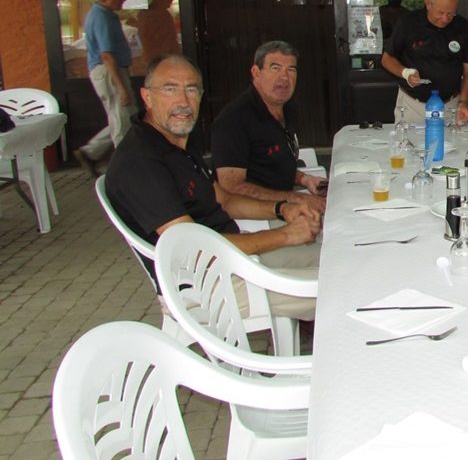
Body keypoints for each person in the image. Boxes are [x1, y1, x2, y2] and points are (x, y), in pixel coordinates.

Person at [105, 54, 322, 320]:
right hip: (206, 286)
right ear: (147, 97)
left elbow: (225, 201)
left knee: (336, 258)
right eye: (170, 89)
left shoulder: (175, 141)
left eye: (191, 89)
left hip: (232, 258)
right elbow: (192, 247)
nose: (183, 101)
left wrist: (282, 209)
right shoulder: (140, 162)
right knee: (342, 289)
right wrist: (286, 235)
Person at [211, 41, 328, 215]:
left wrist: (305, 179)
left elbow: (273, 164)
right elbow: (231, 188)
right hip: (256, 216)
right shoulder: (233, 120)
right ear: (256, 72)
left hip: (287, 201)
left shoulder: (287, 108)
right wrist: (294, 198)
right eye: (275, 68)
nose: (284, 77)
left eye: (291, 69)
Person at [381, 0, 468, 124]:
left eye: (450, 14)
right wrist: (405, 73)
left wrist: (463, 101)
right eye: (441, 13)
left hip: (451, 106)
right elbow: (387, 59)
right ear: (428, 3)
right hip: (413, 106)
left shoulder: (463, 27)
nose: (445, 19)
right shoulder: (408, 23)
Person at [74, 0, 136, 178]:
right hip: (109, 71)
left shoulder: (104, 15)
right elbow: (106, 54)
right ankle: (124, 170)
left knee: (123, 117)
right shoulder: (101, 17)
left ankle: (90, 152)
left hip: (110, 70)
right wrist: (121, 87)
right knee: (121, 121)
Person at [136, 0, 180, 65]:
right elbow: (170, 43)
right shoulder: (163, 15)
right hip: (164, 60)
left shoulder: (142, 14)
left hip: (151, 59)